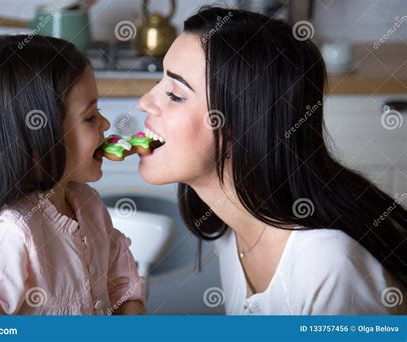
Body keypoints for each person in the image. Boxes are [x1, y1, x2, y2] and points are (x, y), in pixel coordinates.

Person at [137, 6, 406, 315]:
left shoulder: (328, 267)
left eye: (174, 94)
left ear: (241, 125)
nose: (144, 101)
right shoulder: (230, 232)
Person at [0, 35, 144, 315]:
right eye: (90, 117)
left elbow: (121, 284)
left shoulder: (90, 206)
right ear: (35, 140)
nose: (106, 124)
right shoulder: (12, 237)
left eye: (100, 112)